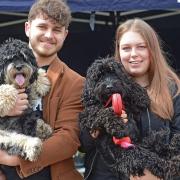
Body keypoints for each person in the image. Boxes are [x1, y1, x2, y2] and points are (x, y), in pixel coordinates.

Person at [80, 18, 180, 180]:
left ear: (152, 50)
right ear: (118, 52)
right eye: (126, 48)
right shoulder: (101, 86)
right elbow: (83, 144)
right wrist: (102, 124)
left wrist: (160, 176)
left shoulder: (173, 89)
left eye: (141, 47)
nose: (134, 54)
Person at [0, 0, 84, 179]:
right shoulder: (2, 69)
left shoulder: (75, 82)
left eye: (57, 29)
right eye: (42, 27)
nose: (49, 35)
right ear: (28, 28)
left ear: (65, 34)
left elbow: (68, 140)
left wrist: (16, 159)